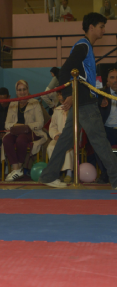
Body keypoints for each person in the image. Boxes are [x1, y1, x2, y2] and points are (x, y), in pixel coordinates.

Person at [39, 13, 117, 188]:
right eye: (101, 26)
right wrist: (68, 94)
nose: (104, 30)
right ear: (92, 27)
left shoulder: (86, 46)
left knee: (66, 139)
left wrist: (96, 100)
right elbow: (66, 70)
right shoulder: (83, 46)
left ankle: (48, 175)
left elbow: (84, 79)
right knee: (99, 140)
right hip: (83, 103)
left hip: (83, 102)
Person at [3, 80, 47, 182]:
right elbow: (7, 124)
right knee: (6, 139)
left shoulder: (35, 103)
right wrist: (16, 125)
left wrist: (25, 126)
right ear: (16, 91)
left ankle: (18, 167)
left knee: (21, 139)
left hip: (31, 132)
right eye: (19, 90)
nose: (22, 92)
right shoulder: (12, 104)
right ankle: (16, 169)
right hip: (15, 132)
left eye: (24, 89)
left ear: (28, 90)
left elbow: (40, 123)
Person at [47, 93, 73, 183]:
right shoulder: (57, 110)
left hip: (70, 136)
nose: (60, 97)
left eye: (62, 95)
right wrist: (56, 135)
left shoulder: (74, 109)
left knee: (67, 148)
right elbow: (52, 126)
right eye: (58, 95)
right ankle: (55, 173)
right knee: (51, 147)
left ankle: (69, 172)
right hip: (59, 136)